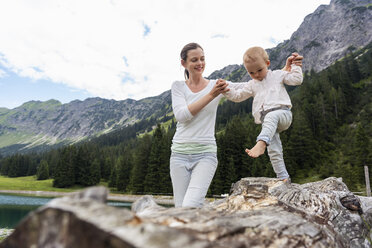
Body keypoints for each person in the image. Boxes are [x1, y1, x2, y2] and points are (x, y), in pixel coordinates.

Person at [171, 43, 302, 208]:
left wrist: (288, 69)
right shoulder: (180, 86)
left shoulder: (214, 85)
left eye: (202, 59)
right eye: (194, 60)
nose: (200, 63)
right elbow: (182, 115)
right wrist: (219, 92)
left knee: (190, 206)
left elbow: (267, 79)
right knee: (179, 208)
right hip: (178, 154)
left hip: (206, 153)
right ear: (183, 63)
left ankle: (261, 142)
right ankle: (283, 177)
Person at [224, 46, 303, 183]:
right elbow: (238, 96)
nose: (256, 75)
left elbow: (296, 80)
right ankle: (283, 178)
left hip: (283, 114)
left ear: (267, 64)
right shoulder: (252, 85)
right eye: (251, 72)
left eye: (259, 70)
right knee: (274, 150)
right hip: (269, 124)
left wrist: (295, 65)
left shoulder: (277, 75)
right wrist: (225, 91)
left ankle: (261, 143)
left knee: (271, 117)